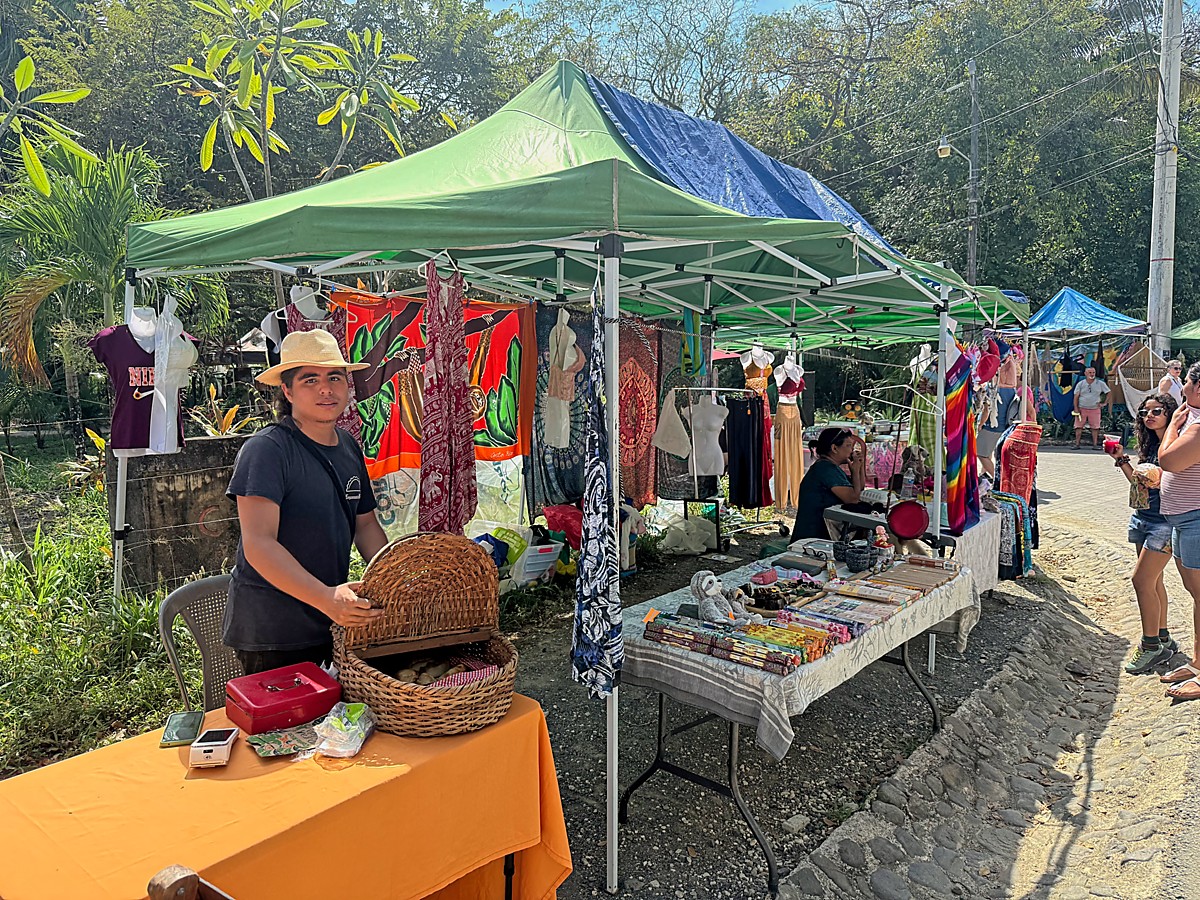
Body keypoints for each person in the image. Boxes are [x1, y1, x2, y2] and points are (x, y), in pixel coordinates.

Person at [223, 329, 390, 675]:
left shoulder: (347, 447)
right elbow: (259, 544)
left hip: (331, 623)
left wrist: (395, 577)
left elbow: (366, 526)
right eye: (309, 380)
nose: (326, 389)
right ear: (287, 391)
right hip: (273, 632)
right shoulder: (267, 450)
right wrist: (326, 598)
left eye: (334, 377)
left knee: (337, 727)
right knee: (286, 730)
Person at [1105, 393, 1179, 673]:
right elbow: (1141, 484)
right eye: (1145, 412)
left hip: (1165, 523)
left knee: (1141, 581)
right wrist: (1121, 458)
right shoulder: (1149, 444)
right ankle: (1162, 637)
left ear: (1169, 414)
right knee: (1153, 581)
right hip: (1143, 517)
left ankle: (1150, 647)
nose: (1150, 416)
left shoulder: (1175, 446)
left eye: (1157, 411)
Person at [1155, 361, 1200, 700]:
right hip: (1183, 519)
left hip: (1195, 518)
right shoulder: (1192, 416)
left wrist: (1171, 425)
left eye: (1184, 380)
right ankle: (1198, 663)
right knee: (1195, 593)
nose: (1179, 384)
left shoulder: (1194, 424)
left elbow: (1168, 460)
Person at [789, 427, 867, 543]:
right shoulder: (825, 469)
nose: (852, 450)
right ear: (834, 448)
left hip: (823, 529)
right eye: (849, 446)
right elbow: (853, 499)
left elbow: (859, 489)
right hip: (814, 536)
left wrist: (859, 468)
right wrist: (855, 472)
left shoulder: (830, 467)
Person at [1073, 366, 1110, 450]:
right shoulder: (1081, 384)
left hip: (1095, 408)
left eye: (1093, 372)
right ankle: (1077, 444)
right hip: (1082, 408)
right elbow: (1076, 396)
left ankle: (1095, 445)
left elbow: (1108, 392)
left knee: (1095, 427)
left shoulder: (1100, 383)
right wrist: (1076, 408)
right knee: (1078, 426)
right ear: (1085, 373)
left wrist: (1104, 403)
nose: (1092, 374)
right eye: (1090, 372)